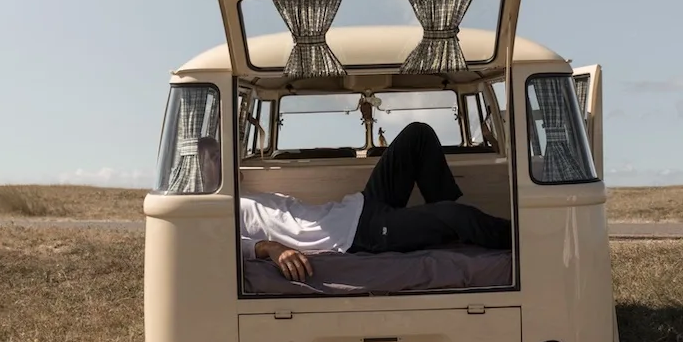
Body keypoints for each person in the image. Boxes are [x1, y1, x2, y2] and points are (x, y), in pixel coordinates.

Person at [197, 123, 511, 282]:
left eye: (220, 154)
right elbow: (228, 247)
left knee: (417, 135)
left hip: (359, 207)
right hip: (358, 236)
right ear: (198, 169)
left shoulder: (247, 195)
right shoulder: (215, 213)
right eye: (209, 158)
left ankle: (446, 229)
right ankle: (511, 236)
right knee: (457, 216)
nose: (218, 161)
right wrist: (272, 249)